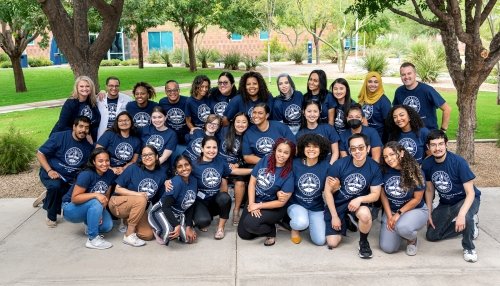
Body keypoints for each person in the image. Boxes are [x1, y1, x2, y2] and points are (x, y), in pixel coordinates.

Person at [422, 130, 481, 263]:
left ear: (446, 144)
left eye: (441, 144)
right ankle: (469, 227)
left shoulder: (459, 162)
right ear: (428, 147)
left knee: (465, 216)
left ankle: (469, 247)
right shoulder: (427, 164)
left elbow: (470, 193)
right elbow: (429, 190)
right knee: (432, 235)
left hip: (465, 200)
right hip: (446, 203)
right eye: (433, 145)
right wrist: (429, 212)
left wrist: (461, 215)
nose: (437, 148)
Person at [323, 133, 382, 259]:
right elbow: (327, 192)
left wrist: (359, 199)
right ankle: (346, 219)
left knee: (365, 215)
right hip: (338, 203)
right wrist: (334, 216)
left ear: (368, 148)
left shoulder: (374, 167)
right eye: (353, 149)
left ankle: (363, 242)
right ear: (349, 150)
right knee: (332, 243)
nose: (357, 152)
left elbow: (376, 195)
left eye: (361, 148)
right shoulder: (339, 164)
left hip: (357, 204)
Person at [187, 136, 251, 239]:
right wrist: (168, 181)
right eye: (208, 147)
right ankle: (203, 218)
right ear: (202, 149)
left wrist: (254, 170)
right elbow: (182, 177)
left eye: (214, 147)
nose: (211, 151)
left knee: (225, 198)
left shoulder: (220, 161)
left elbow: (234, 171)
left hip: (215, 201)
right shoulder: (194, 164)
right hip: (200, 201)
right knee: (203, 222)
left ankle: (220, 227)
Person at [36, 116, 94, 227]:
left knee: (73, 196)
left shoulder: (88, 147)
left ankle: (48, 198)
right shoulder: (59, 137)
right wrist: (49, 170)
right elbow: (40, 153)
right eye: (80, 126)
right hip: (52, 173)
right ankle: (51, 217)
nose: (83, 130)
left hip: (69, 179)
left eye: (86, 128)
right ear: (74, 127)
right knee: (55, 186)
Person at [238, 138, 296, 246]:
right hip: (255, 200)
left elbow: (281, 202)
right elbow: (252, 183)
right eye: (279, 151)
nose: (281, 155)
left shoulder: (289, 174)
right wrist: (251, 203)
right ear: (275, 150)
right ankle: (267, 223)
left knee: (251, 224)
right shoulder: (266, 159)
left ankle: (271, 231)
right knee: (244, 234)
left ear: (290, 155)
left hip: (273, 207)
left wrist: (259, 206)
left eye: (286, 152)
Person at [109, 145, 167, 247]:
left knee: (148, 235)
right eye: (144, 155)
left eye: (150, 154)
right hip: (118, 203)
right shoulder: (133, 168)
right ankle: (128, 235)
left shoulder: (161, 174)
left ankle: (128, 221)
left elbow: (158, 200)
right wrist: (138, 194)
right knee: (141, 199)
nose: (147, 157)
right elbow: (117, 188)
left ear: (157, 156)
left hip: (138, 207)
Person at [379, 142, 428, 255]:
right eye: (385, 156)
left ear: (401, 153)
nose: (389, 159)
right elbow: (383, 195)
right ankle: (400, 231)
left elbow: (417, 199)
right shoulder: (383, 170)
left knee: (403, 227)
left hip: (415, 210)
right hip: (392, 210)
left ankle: (412, 239)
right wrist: (390, 215)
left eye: (392, 154)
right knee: (388, 248)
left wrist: (398, 214)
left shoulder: (415, 171)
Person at [61, 147, 115, 249]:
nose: (104, 163)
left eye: (107, 160)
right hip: (70, 208)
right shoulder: (86, 174)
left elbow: (107, 194)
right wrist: (96, 195)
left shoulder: (110, 174)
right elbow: (75, 198)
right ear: (94, 162)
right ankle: (92, 239)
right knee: (96, 200)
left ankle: (90, 224)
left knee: (106, 226)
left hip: (92, 205)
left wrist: (100, 211)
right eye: (100, 161)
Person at [288, 134, 331, 246]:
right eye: (308, 146)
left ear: (321, 149)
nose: (311, 149)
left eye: (315, 146)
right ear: (303, 148)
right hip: (296, 204)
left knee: (320, 241)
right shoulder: (295, 163)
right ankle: (295, 228)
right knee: (301, 222)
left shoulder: (326, 166)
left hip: (316, 207)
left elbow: (329, 190)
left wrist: (335, 187)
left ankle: (309, 220)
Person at [148, 155, 197, 245]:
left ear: (191, 166)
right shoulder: (176, 182)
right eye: (180, 166)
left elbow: (191, 204)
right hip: (161, 211)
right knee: (168, 235)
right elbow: (166, 207)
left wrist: (188, 227)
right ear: (176, 170)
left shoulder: (194, 181)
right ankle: (156, 228)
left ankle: (175, 226)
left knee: (187, 239)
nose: (184, 168)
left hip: (178, 214)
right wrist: (177, 225)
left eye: (186, 165)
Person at [393, 62, 451, 131]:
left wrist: (443, 130)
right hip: (409, 134)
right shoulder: (399, 91)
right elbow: (395, 112)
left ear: (415, 74)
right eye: (403, 75)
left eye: (409, 73)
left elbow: (447, 109)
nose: (406, 77)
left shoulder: (427, 90)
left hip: (428, 134)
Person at [218, 112, 250, 225]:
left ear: (248, 123)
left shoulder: (249, 136)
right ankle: (223, 209)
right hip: (221, 163)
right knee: (223, 181)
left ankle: (236, 210)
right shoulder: (224, 130)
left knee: (240, 182)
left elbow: (248, 156)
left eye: (244, 122)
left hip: (236, 166)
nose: (241, 124)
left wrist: (238, 163)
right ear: (233, 122)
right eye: (238, 122)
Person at [50, 76, 100, 143]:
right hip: (64, 138)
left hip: (84, 138)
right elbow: (62, 126)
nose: (84, 88)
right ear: (77, 88)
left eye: (87, 86)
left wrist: (102, 91)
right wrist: (85, 134)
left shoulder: (92, 101)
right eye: (81, 86)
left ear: (91, 87)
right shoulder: (70, 103)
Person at [96, 111, 141, 176]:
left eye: (126, 120)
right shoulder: (109, 134)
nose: (123, 123)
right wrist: (110, 169)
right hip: (105, 168)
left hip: (125, 171)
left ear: (131, 122)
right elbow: (97, 153)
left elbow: (134, 161)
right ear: (117, 123)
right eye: (120, 121)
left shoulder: (136, 140)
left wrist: (123, 168)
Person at [296, 100, 340, 165]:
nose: (312, 114)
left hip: (328, 167)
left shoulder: (328, 129)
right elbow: (300, 157)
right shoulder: (300, 134)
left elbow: (335, 152)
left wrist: (329, 167)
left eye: (315, 111)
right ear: (303, 112)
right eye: (309, 111)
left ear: (319, 112)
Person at [358, 72, 392, 142]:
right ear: (366, 83)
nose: (373, 84)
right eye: (370, 82)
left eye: (376, 82)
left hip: (378, 138)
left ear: (379, 84)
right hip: (363, 136)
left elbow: (389, 125)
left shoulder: (384, 102)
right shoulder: (363, 97)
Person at [158, 80, 189, 145]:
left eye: (175, 90)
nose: (172, 92)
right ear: (166, 92)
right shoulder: (162, 102)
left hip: (186, 135)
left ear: (179, 90)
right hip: (170, 136)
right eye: (169, 90)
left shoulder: (187, 101)